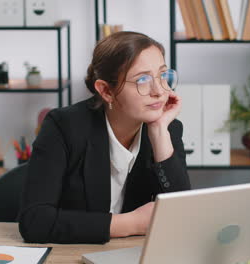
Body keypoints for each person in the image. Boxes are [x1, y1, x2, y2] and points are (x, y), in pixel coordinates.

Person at [18, 31, 191, 244]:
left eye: (163, 75)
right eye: (143, 80)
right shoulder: (63, 127)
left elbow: (182, 216)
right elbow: (35, 222)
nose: (159, 91)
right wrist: (131, 223)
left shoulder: (167, 128)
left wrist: (158, 131)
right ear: (106, 91)